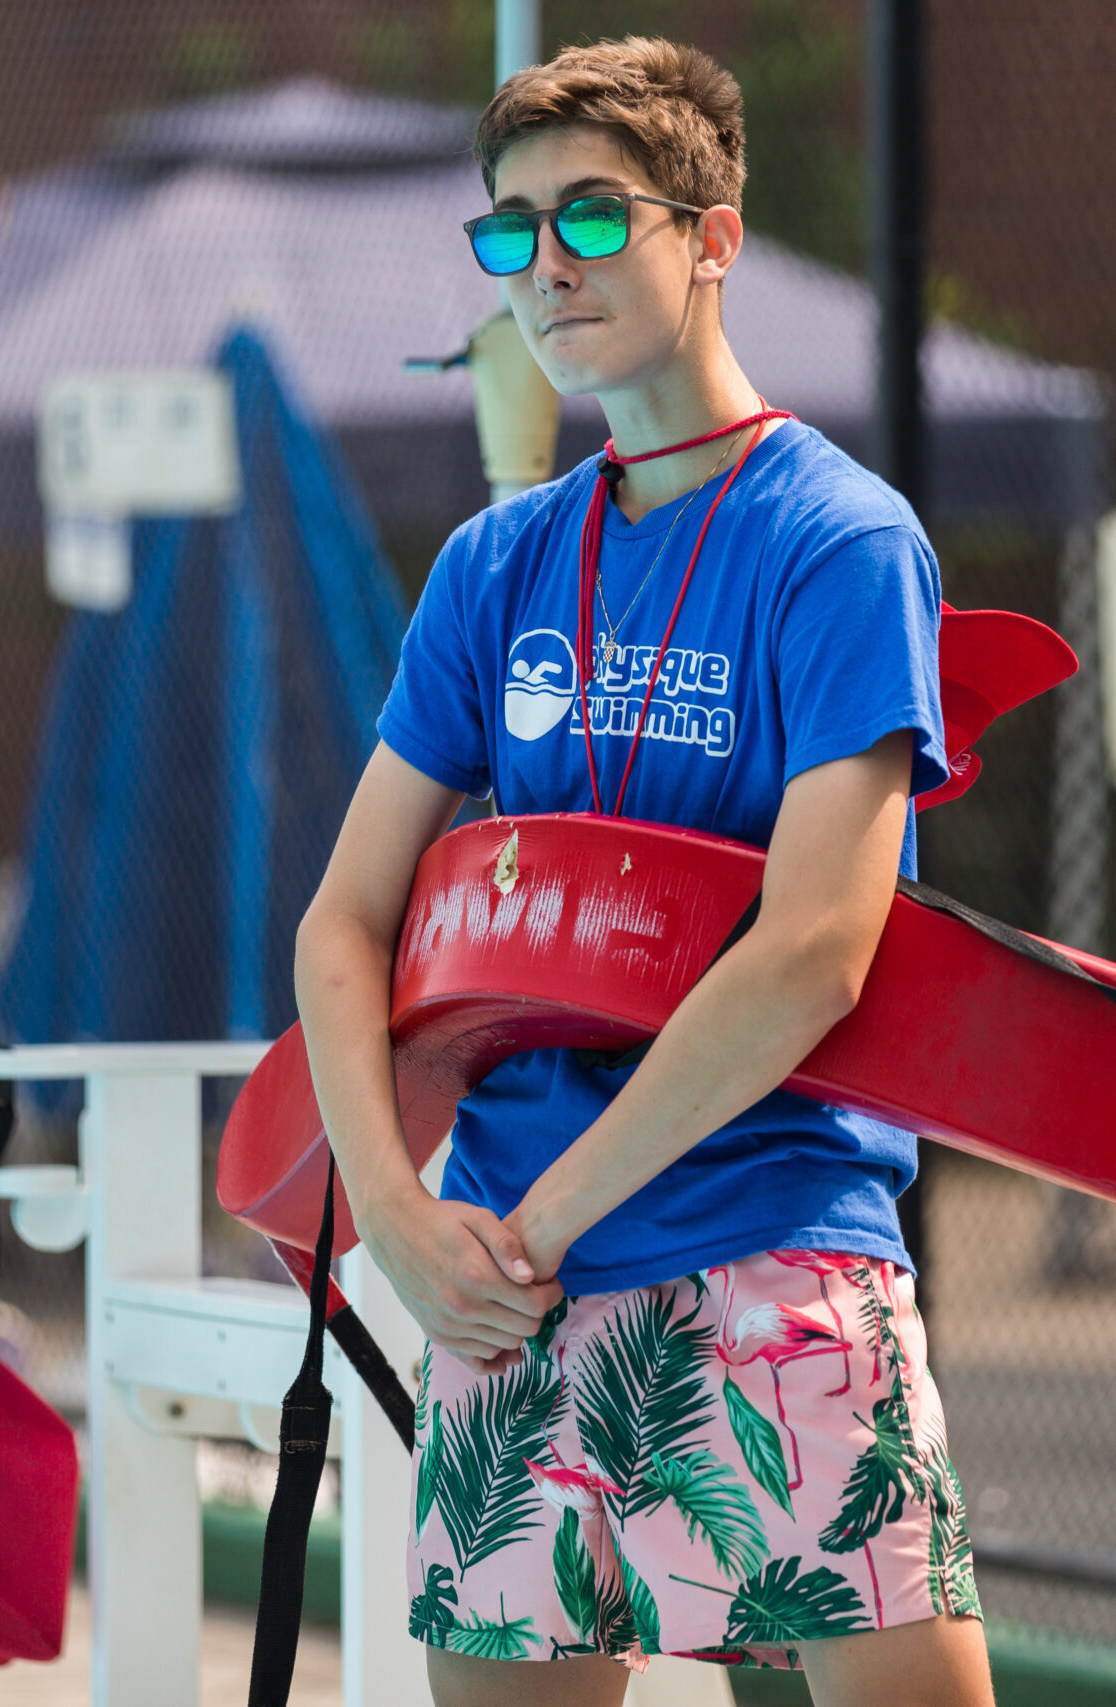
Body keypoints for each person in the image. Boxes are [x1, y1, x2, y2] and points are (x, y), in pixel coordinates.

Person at [293, 36, 990, 1707]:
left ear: (714, 235)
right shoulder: (496, 564)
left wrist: (531, 1222)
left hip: (775, 1250)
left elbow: (818, 948)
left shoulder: (840, 541)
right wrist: (393, 1222)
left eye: (594, 219)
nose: (547, 265)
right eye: (512, 230)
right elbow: (346, 923)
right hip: (505, 1299)